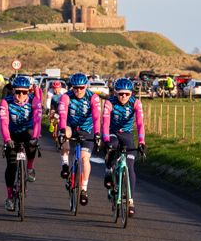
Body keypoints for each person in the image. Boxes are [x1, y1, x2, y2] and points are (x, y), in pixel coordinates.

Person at [101, 78, 146, 217]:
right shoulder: (110, 102)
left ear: (131, 93)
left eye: (127, 94)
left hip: (127, 134)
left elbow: (139, 124)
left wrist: (141, 142)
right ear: (115, 93)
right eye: (121, 94)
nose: (124, 97)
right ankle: (109, 170)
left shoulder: (136, 103)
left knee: (130, 166)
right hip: (112, 132)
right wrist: (106, 140)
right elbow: (105, 122)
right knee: (113, 146)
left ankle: (130, 201)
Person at [0, 75, 43, 211]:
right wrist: (7, 139)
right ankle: (10, 197)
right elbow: (3, 123)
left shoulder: (34, 101)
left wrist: (35, 137)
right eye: (18, 92)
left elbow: (37, 121)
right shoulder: (6, 102)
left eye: (24, 92)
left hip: (27, 132)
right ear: (13, 91)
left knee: (32, 142)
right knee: (11, 167)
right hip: (11, 134)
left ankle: (29, 167)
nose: (21, 95)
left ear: (28, 92)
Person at [57, 73, 102, 206]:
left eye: (81, 88)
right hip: (71, 126)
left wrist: (98, 133)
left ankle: (84, 189)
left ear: (86, 87)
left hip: (87, 129)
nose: (78, 90)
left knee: (84, 158)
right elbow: (63, 115)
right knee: (64, 133)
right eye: (75, 88)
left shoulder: (93, 97)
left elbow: (96, 117)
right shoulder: (66, 97)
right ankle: (65, 163)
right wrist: (61, 131)